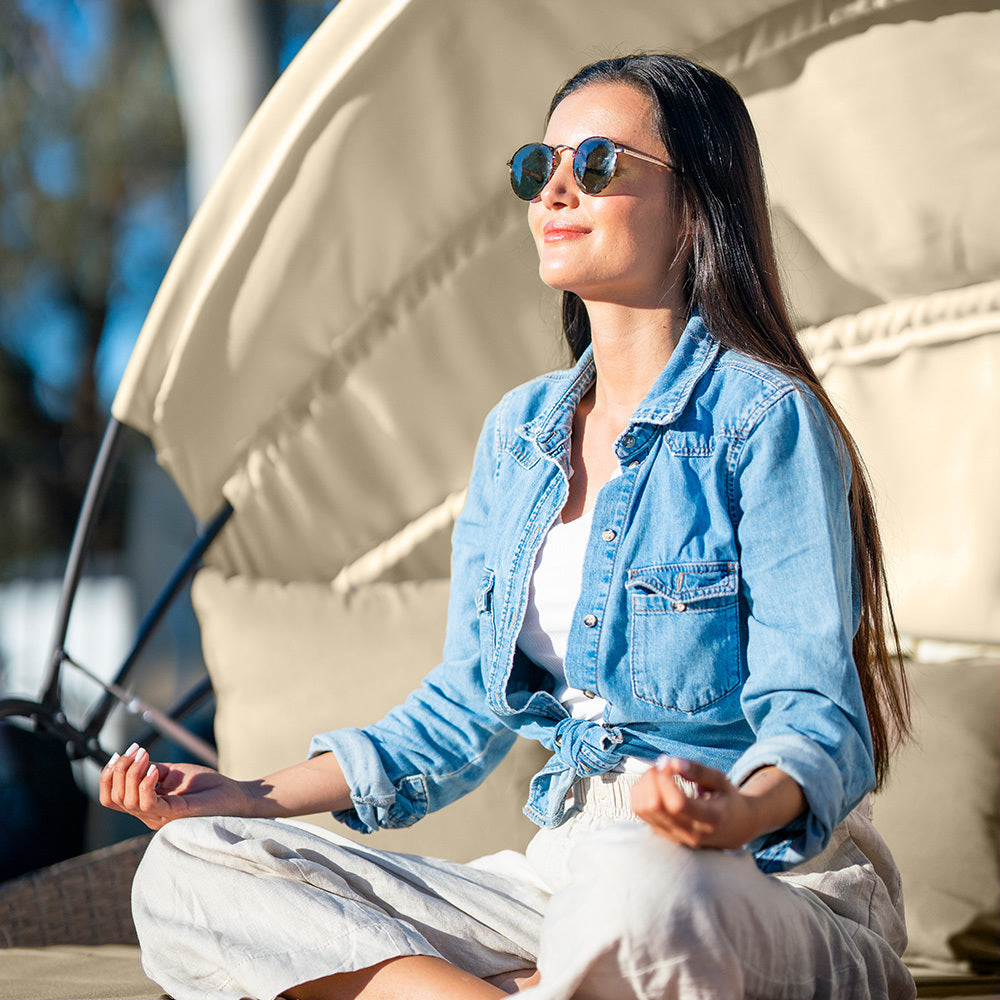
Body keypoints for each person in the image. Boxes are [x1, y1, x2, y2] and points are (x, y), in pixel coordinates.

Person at [102, 53, 915, 1000]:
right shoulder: (519, 437)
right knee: (190, 873)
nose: (556, 190)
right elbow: (462, 709)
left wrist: (732, 815)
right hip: (563, 873)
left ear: (696, 205)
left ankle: (560, 974)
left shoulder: (764, 421)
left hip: (747, 881)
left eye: (599, 164)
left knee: (638, 892)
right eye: (541, 168)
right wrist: (247, 797)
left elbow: (818, 719)